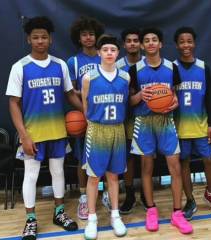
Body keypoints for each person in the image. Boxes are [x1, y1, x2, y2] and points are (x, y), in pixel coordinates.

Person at [6, 16, 82, 240]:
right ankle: (30, 219)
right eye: (36, 37)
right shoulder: (20, 67)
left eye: (44, 37)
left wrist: (89, 113)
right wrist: (23, 135)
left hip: (57, 130)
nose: (40, 41)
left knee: (58, 172)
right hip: (33, 133)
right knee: (31, 175)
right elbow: (13, 103)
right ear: (29, 39)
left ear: (50, 39)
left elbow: (70, 94)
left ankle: (59, 213)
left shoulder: (60, 65)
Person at [129, 27, 193, 234]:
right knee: (146, 168)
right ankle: (151, 210)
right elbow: (130, 101)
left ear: (160, 44)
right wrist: (141, 95)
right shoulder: (135, 69)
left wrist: (174, 103)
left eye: (154, 40)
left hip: (166, 121)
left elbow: (174, 96)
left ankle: (177, 213)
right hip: (144, 122)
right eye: (146, 40)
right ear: (141, 45)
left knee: (175, 167)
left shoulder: (171, 68)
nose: (150, 43)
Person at [173, 27, 211, 220]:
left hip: (202, 125)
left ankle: (210, 194)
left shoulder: (204, 67)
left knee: (209, 160)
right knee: (183, 163)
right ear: (176, 45)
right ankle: (190, 199)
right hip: (179, 127)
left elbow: (210, 98)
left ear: (194, 43)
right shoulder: (171, 68)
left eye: (189, 41)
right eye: (182, 41)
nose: (186, 45)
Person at [82, 35, 129, 239]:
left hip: (117, 129)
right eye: (105, 49)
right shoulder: (89, 77)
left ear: (118, 53)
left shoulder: (125, 78)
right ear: (99, 53)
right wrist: (92, 123)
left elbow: (125, 104)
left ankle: (115, 215)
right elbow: (85, 105)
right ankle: (92, 218)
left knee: (113, 176)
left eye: (113, 50)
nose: (109, 53)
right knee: (93, 177)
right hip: (97, 129)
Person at [66, 16, 111, 220]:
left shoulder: (106, 56)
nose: (88, 38)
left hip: (106, 117)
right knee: (83, 159)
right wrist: (85, 113)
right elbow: (71, 92)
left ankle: (108, 194)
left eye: (91, 34)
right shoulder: (73, 62)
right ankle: (84, 198)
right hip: (86, 118)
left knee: (107, 157)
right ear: (78, 37)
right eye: (84, 34)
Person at [116, 28, 147, 214]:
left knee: (145, 157)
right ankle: (129, 194)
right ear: (124, 45)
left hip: (145, 117)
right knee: (128, 158)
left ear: (141, 44)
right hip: (125, 117)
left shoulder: (148, 63)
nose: (133, 43)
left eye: (136, 40)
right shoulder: (118, 65)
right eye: (129, 40)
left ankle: (145, 193)